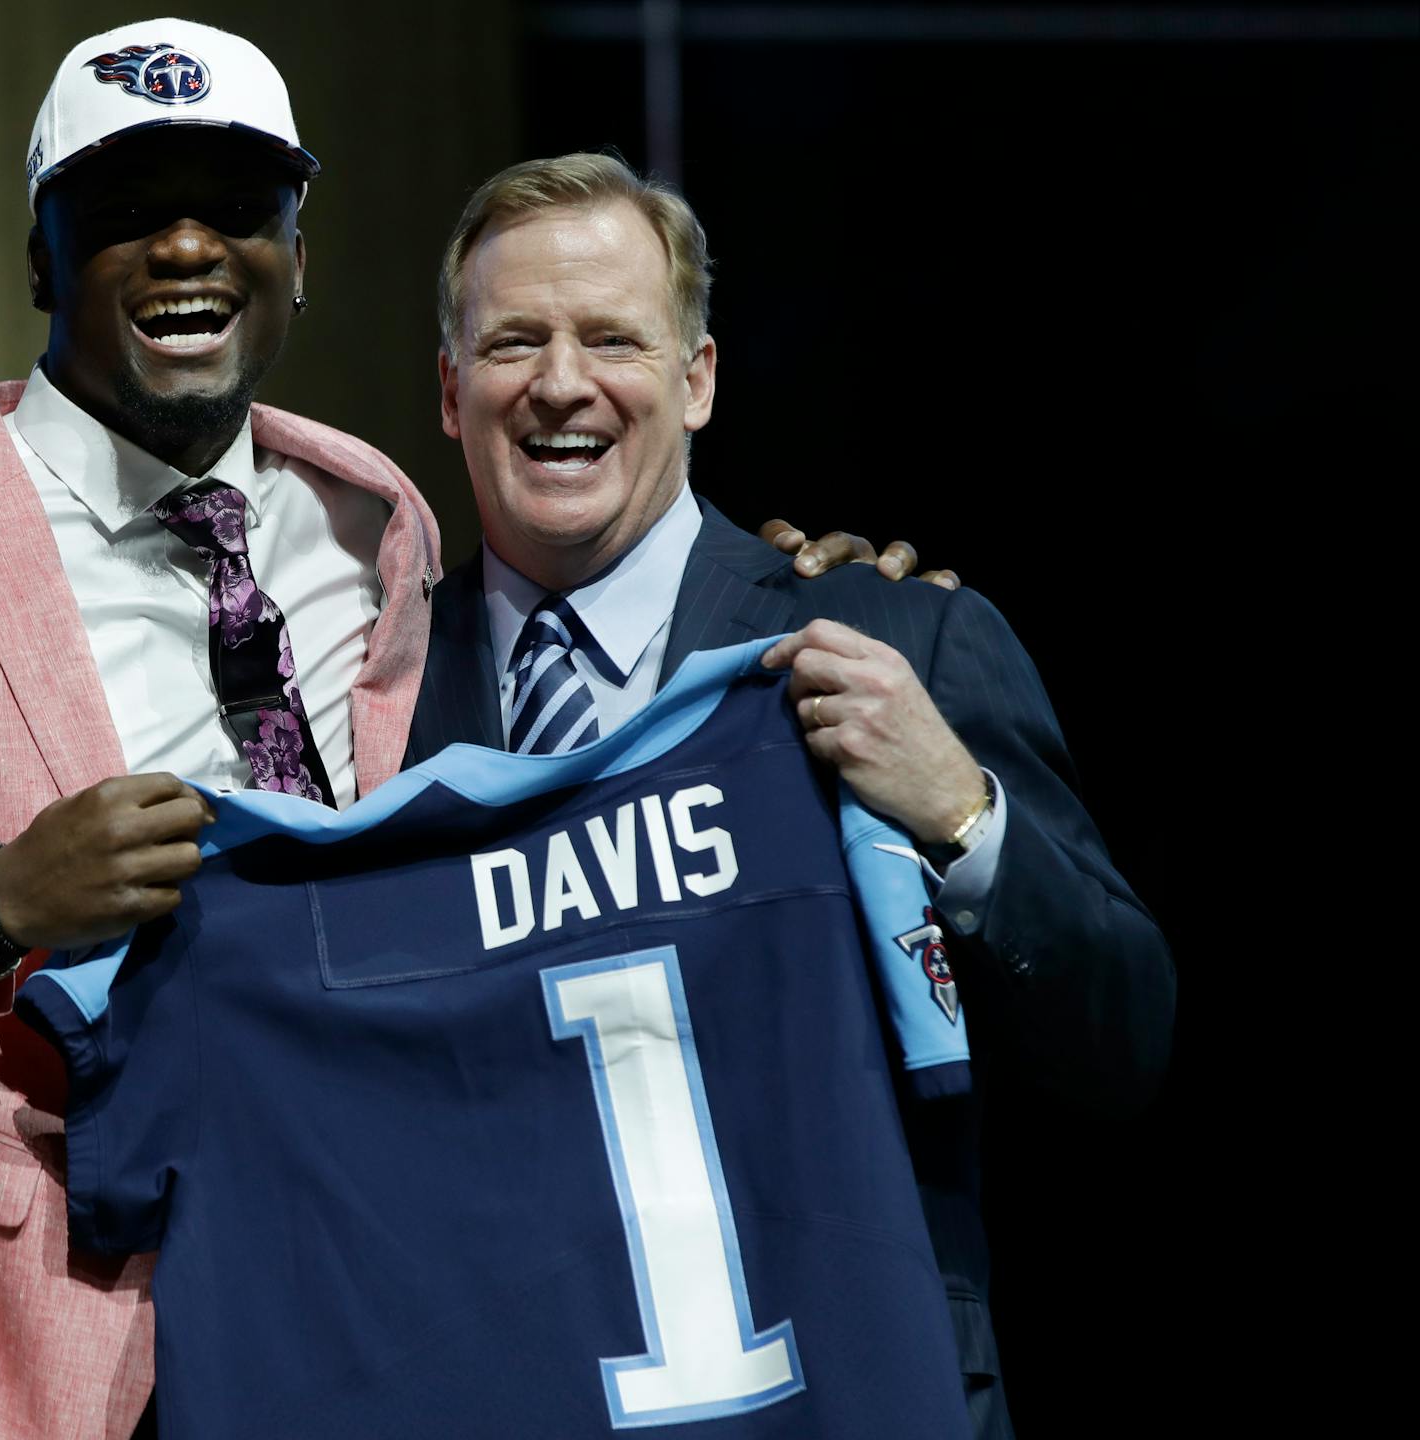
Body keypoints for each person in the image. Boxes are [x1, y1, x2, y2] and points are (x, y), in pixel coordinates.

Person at [0, 21, 932, 1438]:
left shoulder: (374, 523)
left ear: (297, 256)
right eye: (125, 212)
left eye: (238, 211)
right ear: (39, 259)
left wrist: (783, 575)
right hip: (1, 1362)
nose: (187, 249)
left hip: (359, 1325)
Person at [404, 152, 1177, 1439]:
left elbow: (1125, 1038)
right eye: (514, 342)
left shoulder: (895, 637)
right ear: (449, 389)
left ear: (697, 379)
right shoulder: (368, 696)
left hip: (853, 1389)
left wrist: (961, 814)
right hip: (504, 1391)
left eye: (614, 339)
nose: (559, 383)